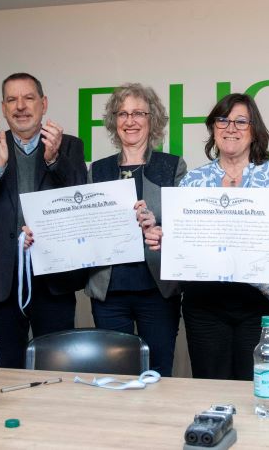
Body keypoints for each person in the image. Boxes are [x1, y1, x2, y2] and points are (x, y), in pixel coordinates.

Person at [142, 93, 269, 380]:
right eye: (223, 120)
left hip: (264, 305)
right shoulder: (194, 181)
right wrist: (163, 240)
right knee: (211, 394)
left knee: (259, 393)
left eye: (241, 121)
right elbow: (180, 243)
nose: (230, 127)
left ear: (254, 130)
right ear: (212, 128)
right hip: (206, 306)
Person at [27, 83, 186, 376]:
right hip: (108, 291)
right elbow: (79, 221)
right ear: (114, 121)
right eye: (122, 113)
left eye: (139, 113)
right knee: (113, 375)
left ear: (153, 119)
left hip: (158, 290)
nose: (130, 120)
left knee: (160, 371)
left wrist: (158, 225)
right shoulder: (97, 170)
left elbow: (185, 227)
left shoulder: (171, 166)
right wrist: (41, 233)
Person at [0, 72, 88, 368]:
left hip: (54, 274)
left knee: (58, 364)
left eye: (28, 98)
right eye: (12, 100)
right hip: (1, 274)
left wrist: (54, 160)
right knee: (6, 367)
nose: (20, 106)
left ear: (43, 103)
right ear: (3, 108)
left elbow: (82, 197)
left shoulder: (68, 145)